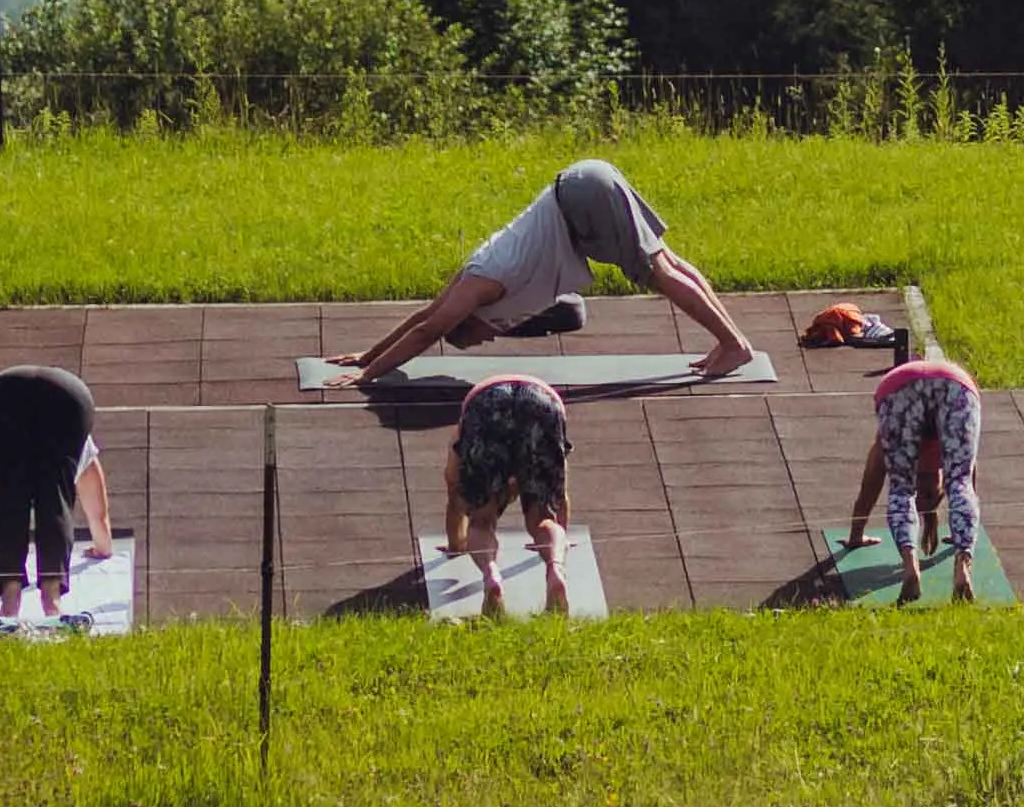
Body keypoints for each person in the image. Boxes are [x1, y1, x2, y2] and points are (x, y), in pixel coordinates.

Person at [353, 157, 756, 392]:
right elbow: (425, 315)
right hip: (582, 183)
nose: (489, 339)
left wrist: (368, 377)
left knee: (657, 272)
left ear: (467, 322)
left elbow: (430, 328)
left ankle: (733, 343)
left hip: (581, 198)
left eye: (475, 340)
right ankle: (730, 341)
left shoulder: (481, 286)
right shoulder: (476, 277)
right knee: (667, 261)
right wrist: (365, 355)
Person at [840, 335, 988, 604]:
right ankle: (962, 568)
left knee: (901, 488)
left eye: (923, 496)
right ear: (939, 488)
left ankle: (911, 567)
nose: (925, 489)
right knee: (960, 482)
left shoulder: (906, 458)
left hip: (901, 386)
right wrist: (964, 534)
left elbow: (871, 483)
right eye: (930, 494)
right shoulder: (950, 464)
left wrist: (856, 535)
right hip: (953, 383)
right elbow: (969, 483)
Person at [0, 357, 113, 624]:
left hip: (2, 393)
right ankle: (52, 603)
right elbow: (98, 515)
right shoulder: (77, 448)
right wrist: (103, 547)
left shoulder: (13, 450)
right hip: (68, 396)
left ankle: (9, 605)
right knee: (56, 497)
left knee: (11, 490)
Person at [441, 367, 574, 602]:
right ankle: (555, 569)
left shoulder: (464, 426)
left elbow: (453, 486)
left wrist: (455, 545)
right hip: (543, 402)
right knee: (544, 517)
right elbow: (560, 497)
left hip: (486, 402)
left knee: (482, 520)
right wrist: (561, 540)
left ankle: (491, 575)